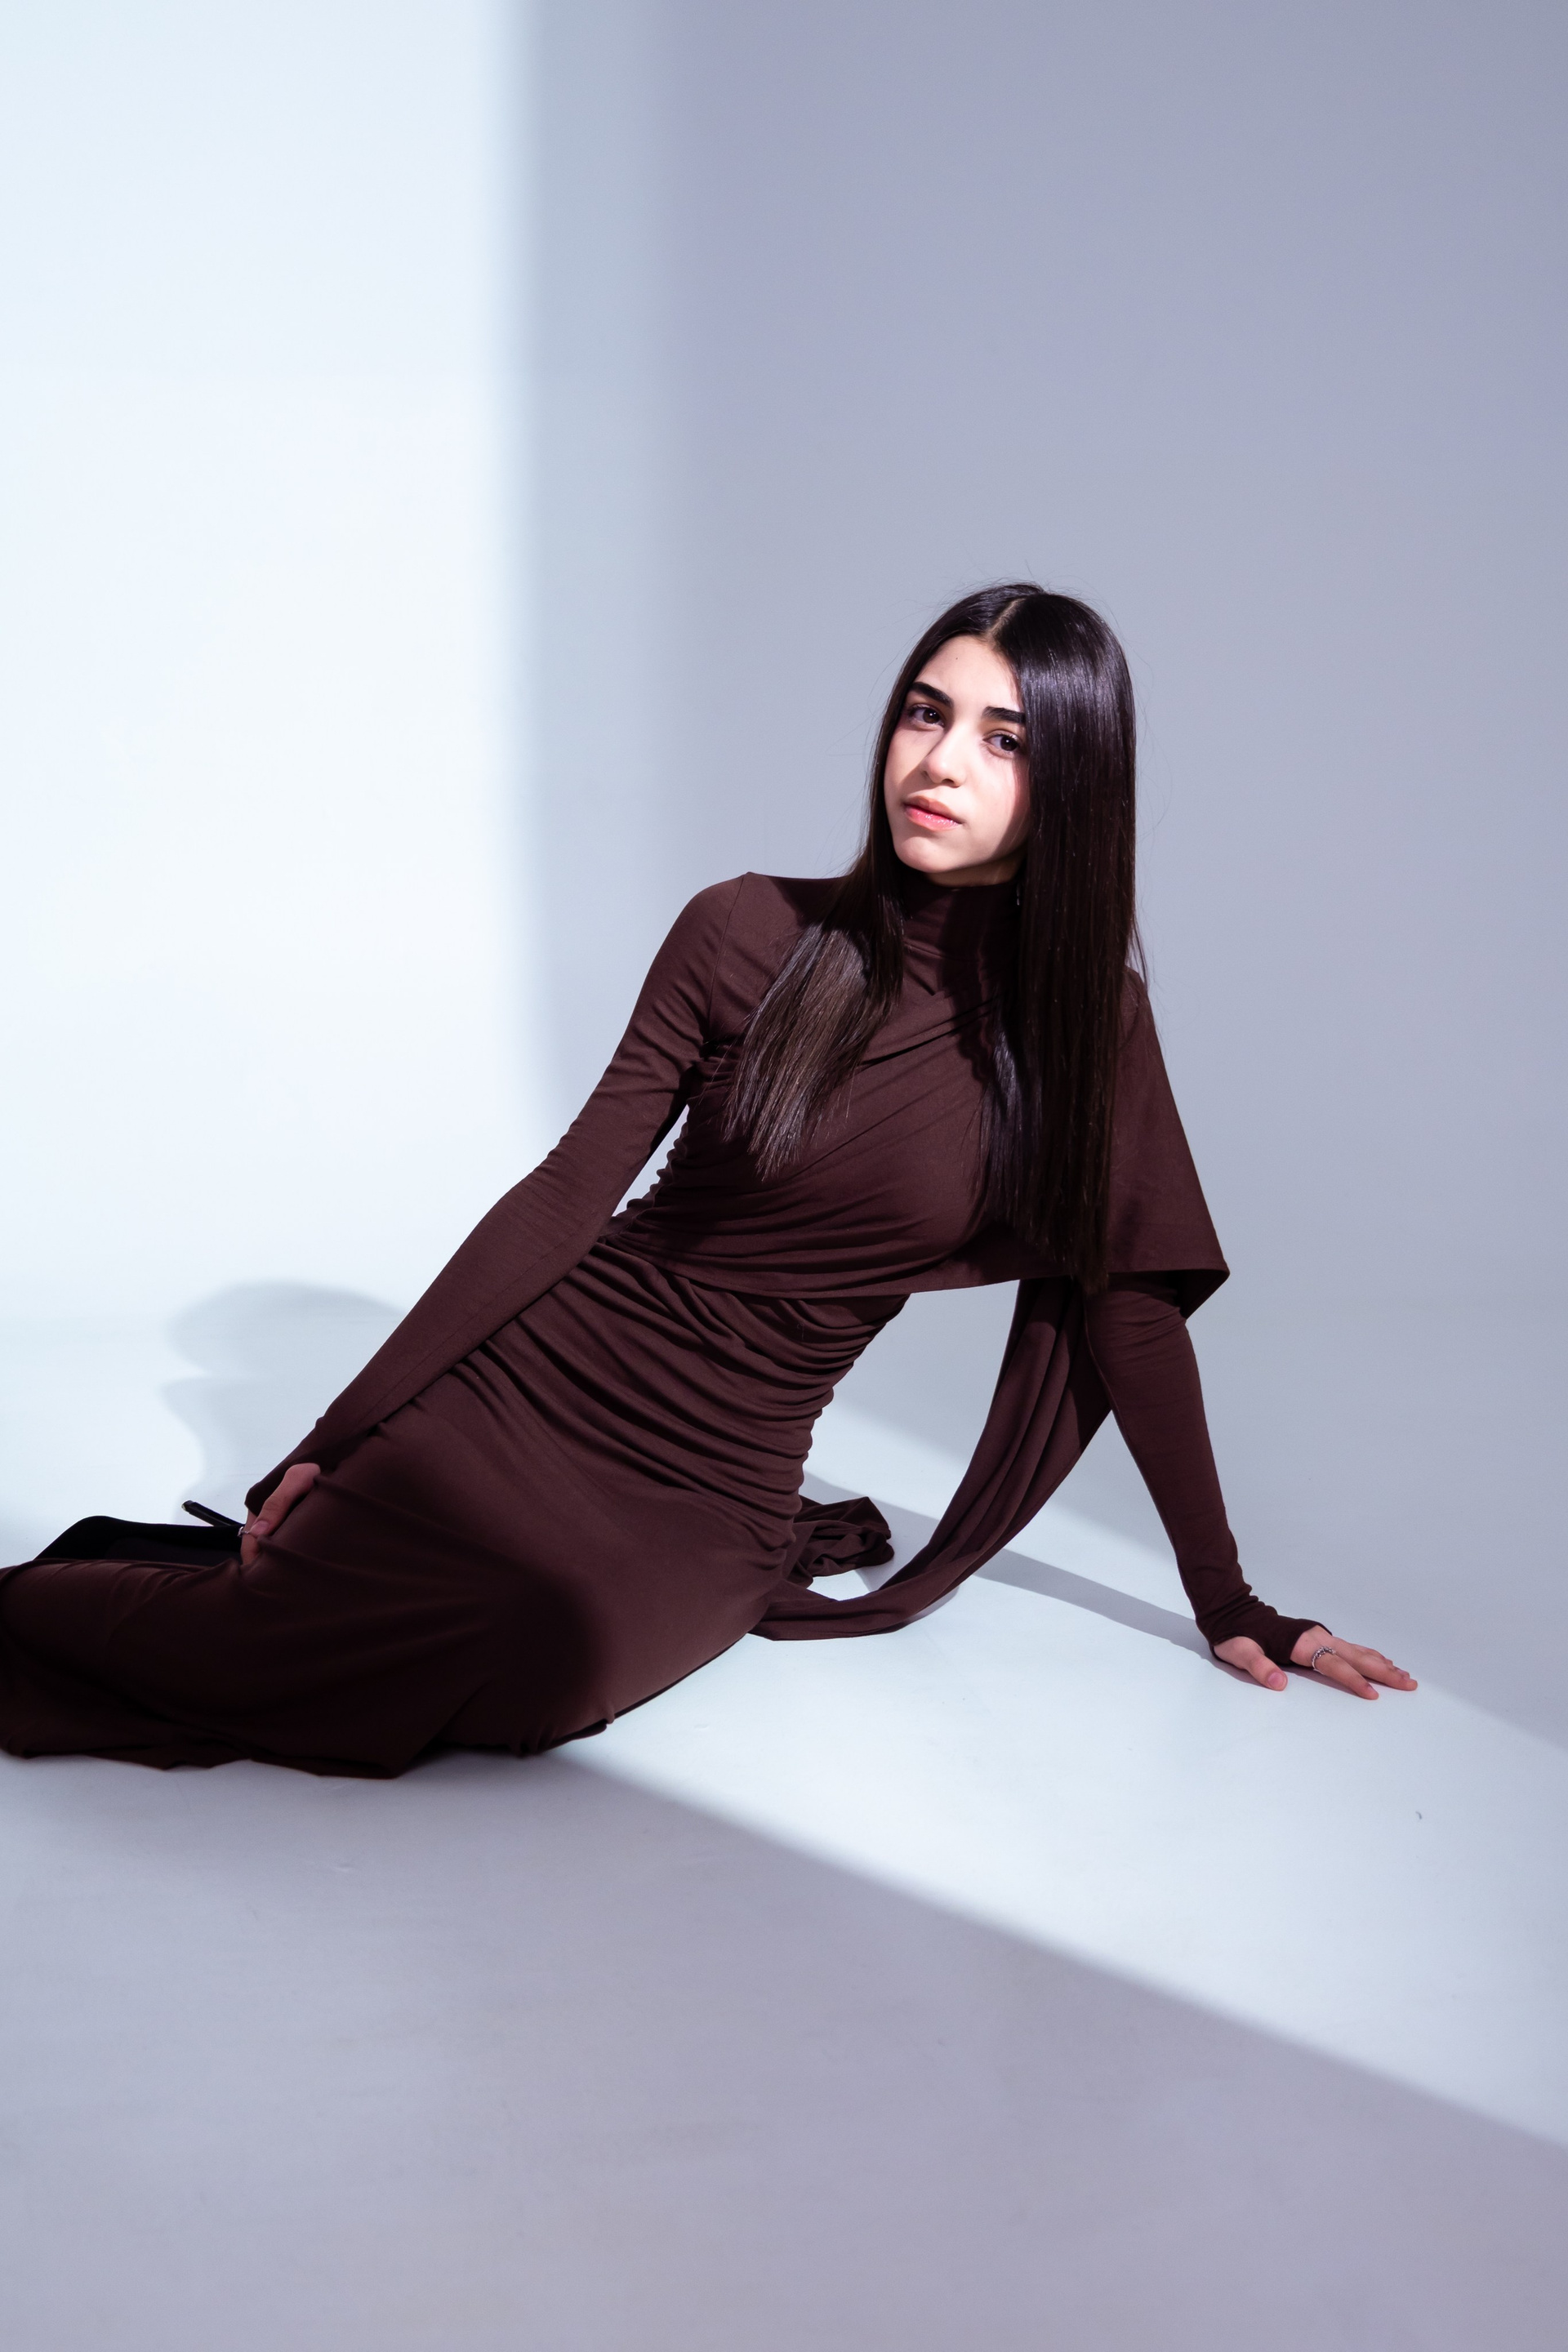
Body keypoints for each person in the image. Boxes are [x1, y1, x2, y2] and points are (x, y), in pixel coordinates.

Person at [0, 584, 1414, 1775]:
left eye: (1005, 740)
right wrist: (334, 1436)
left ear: (1077, 785)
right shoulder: (744, 929)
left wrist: (1229, 1600)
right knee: (275, 1637)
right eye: (924, 714)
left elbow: (1128, 1308)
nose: (941, 763)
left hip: (719, 1476)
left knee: (534, 1670)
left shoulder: (1086, 1022)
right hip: (535, 1385)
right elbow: (565, 1196)